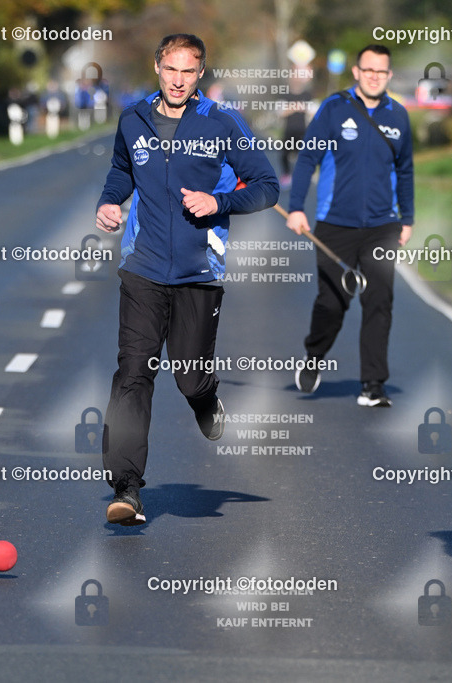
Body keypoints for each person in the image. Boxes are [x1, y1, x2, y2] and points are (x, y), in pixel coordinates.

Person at [95, 33, 278, 525]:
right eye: (171, 69)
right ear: (157, 67)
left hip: (200, 271)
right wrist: (109, 202)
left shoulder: (222, 122)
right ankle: (126, 488)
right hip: (143, 267)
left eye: (188, 71)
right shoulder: (133, 119)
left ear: (201, 74)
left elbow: (267, 187)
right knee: (133, 373)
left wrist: (219, 202)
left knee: (189, 375)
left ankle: (205, 396)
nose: (178, 80)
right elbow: (121, 170)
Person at [285, 44, 413, 406]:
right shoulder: (334, 108)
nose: (374, 76)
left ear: (389, 75)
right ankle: (314, 355)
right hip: (335, 225)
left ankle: (373, 385)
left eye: (381, 71)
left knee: (379, 301)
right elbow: (307, 159)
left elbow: (405, 171)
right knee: (332, 302)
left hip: (382, 225)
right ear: (356, 72)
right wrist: (296, 208)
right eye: (368, 70)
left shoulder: (398, 115)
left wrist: (407, 219)